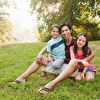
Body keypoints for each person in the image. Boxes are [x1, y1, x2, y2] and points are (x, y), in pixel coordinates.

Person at [38, 23, 95, 94]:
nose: (65, 33)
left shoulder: (77, 41)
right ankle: (49, 80)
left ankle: (91, 72)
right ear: (60, 33)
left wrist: (84, 61)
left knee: (89, 79)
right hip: (74, 66)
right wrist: (41, 53)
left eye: (66, 30)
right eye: (62, 31)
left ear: (70, 30)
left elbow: (92, 54)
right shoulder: (61, 41)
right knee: (77, 78)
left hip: (84, 66)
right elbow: (49, 46)